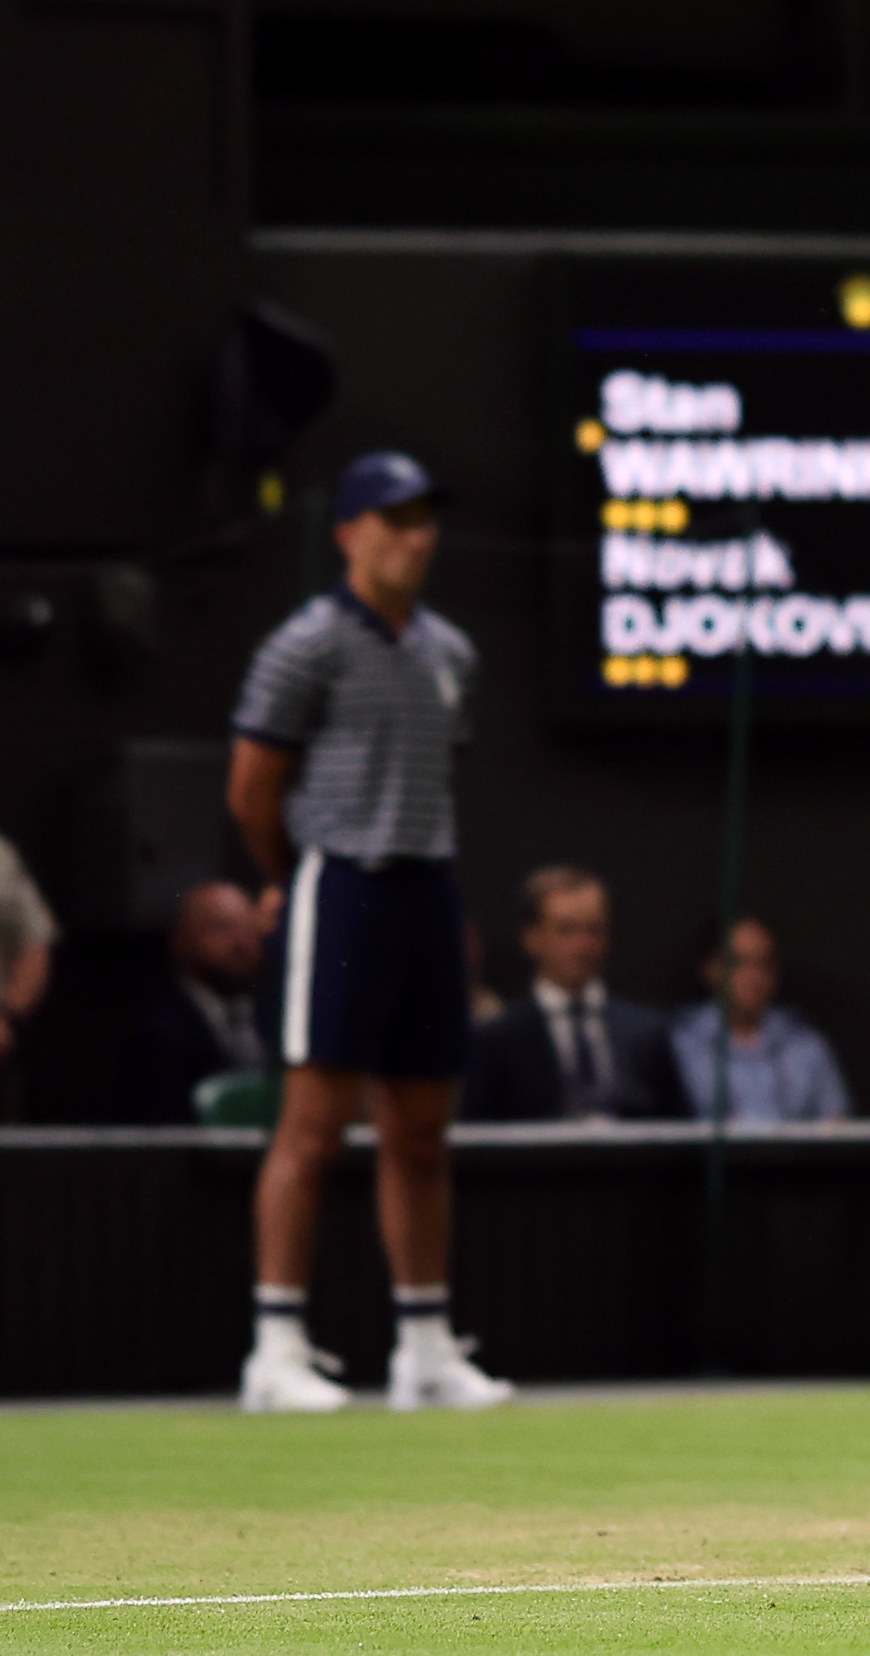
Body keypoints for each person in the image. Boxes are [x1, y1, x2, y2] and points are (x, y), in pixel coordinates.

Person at [226, 453, 502, 1412]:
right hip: (340, 888)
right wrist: (298, 878)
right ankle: (275, 1348)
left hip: (428, 893)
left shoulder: (451, 651)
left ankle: (424, 1346)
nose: (415, 536)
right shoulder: (303, 645)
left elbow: (441, 779)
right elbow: (252, 791)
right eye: (394, 519)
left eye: (425, 518)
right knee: (312, 1125)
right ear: (348, 533)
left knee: (421, 1133)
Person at [459, 866, 687, 1123]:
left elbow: (677, 1130)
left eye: (593, 930)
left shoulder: (647, 1033)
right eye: (566, 930)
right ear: (531, 937)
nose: (583, 946)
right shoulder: (497, 1041)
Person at [672, 914, 849, 1124]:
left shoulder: (805, 1045)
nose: (754, 975)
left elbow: (837, 1123)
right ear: (711, 969)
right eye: (739, 962)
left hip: (795, 1157)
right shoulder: (681, 1045)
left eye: (764, 963)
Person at [121, 879, 267, 1126]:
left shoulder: (275, 1022)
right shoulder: (159, 1033)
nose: (242, 943)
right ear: (180, 940)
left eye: (250, 930)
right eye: (222, 928)